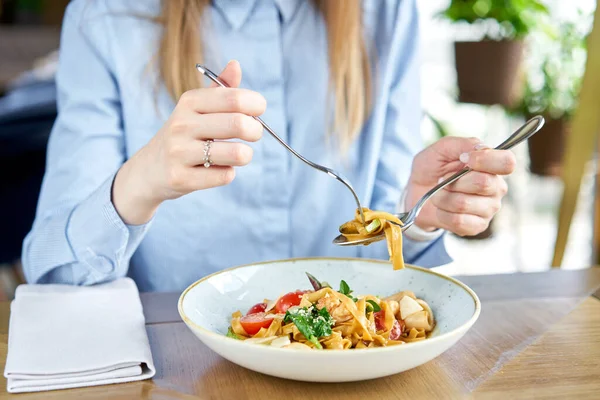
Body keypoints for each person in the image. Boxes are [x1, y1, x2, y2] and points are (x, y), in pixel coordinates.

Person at [22, 0, 516, 292]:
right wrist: (140, 181)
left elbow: (380, 247)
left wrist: (417, 215)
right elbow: (55, 276)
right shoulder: (104, 15)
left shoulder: (385, 12)